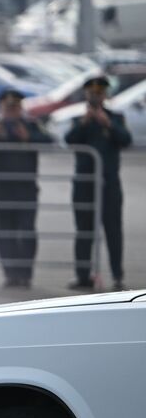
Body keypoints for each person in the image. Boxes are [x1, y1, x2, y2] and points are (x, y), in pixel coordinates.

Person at [0, 88, 53, 288]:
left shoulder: (31, 124)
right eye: (8, 107)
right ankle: (10, 274)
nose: (12, 111)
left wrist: (28, 137)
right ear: (2, 107)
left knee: (26, 231)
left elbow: (50, 141)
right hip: (1, 188)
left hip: (26, 188)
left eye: (15, 107)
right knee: (4, 232)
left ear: (20, 107)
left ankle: (26, 274)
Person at [65, 74, 133, 290]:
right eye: (92, 94)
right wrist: (85, 123)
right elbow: (69, 139)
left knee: (113, 230)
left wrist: (108, 124)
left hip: (109, 183)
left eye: (99, 93)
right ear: (86, 95)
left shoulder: (115, 118)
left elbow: (126, 140)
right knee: (84, 231)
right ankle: (83, 275)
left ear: (105, 96)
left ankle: (117, 276)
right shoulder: (79, 120)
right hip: (84, 184)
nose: (96, 97)